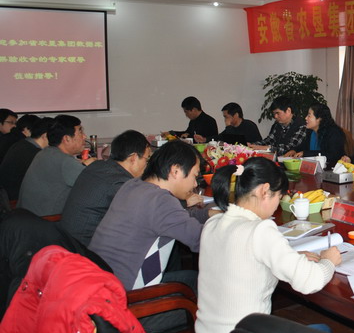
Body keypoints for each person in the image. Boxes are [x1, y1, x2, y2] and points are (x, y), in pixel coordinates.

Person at [195, 157, 341, 333]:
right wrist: (328, 261)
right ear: (264, 191)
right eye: (278, 197)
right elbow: (310, 281)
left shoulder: (213, 224)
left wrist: (293, 256)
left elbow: (245, 258)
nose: (277, 206)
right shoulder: (260, 230)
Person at [89, 139, 216, 291]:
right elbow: (202, 240)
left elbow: (175, 218)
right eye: (194, 176)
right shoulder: (161, 201)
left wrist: (208, 213)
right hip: (128, 295)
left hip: (101, 283)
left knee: (189, 277)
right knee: (204, 282)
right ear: (175, 171)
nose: (195, 184)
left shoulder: (133, 185)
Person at [59, 130, 152, 246]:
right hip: (85, 248)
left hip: (66, 240)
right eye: (147, 159)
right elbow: (144, 215)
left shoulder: (97, 166)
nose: (147, 165)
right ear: (133, 158)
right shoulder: (120, 183)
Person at [17, 115, 95, 216]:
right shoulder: (65, 161)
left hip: (25, 217)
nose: (84, 136)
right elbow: (94, 185)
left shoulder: (45, 152)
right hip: (47, 220)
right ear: (67, 138)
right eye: (80, 132)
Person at [0, 117, 53, 202]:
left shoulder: (22, 144)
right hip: (15, 201)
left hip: (8, 198)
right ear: (45, 136)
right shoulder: (36, 154)